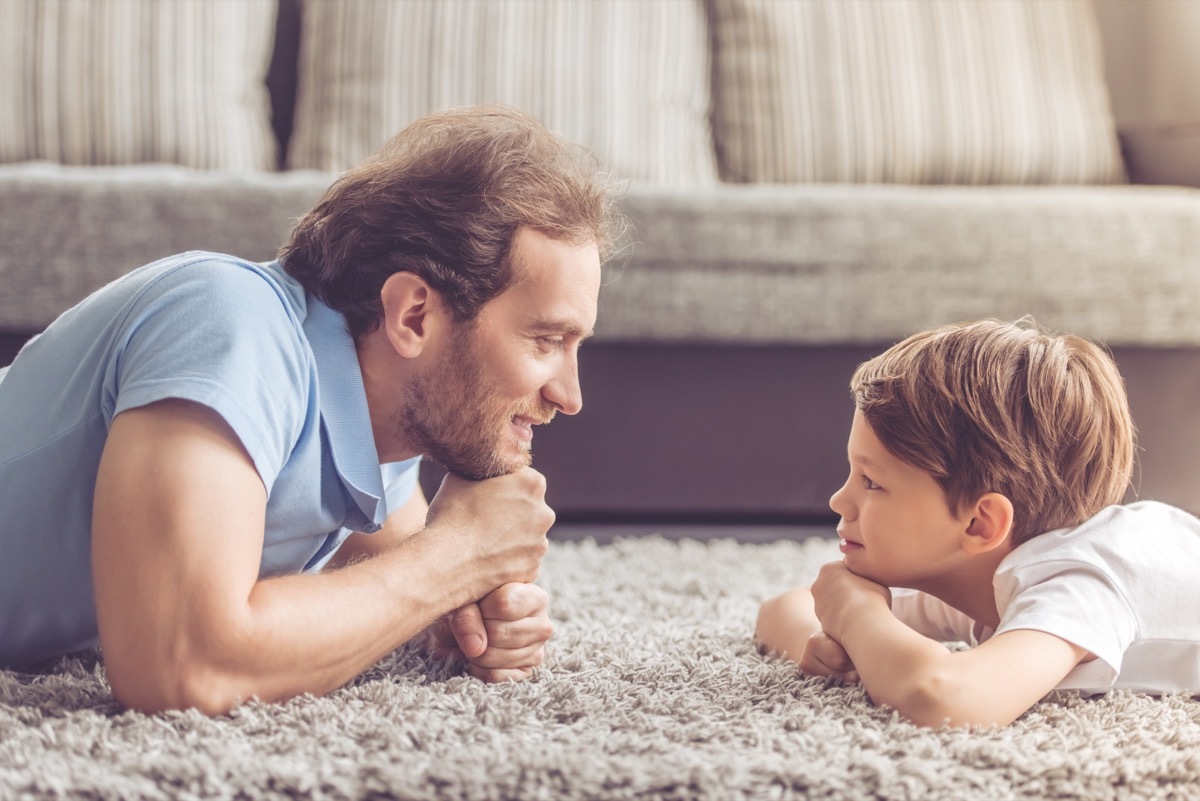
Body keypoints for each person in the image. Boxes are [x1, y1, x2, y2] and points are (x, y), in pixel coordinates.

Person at [0, 105, 623, 714]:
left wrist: (460, 610)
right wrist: (458, 555)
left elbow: (402, 572)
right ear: (414, 316)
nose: (570, 396)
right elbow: (179, 664)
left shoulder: (383, 432)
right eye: (546, 341)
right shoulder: (228, 323)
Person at [755, 319, 1200, 728]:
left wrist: (856, 616)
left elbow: (945, 699)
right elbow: (780, 609)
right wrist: (820, 642)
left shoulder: (1076, 584)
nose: (839, 499)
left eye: (871, 482)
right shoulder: (975, 573)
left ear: (979, 525)